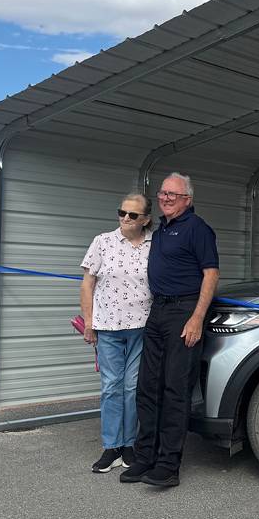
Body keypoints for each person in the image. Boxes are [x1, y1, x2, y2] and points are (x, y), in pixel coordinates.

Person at [120, 172, 220, 488]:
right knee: (148, 387)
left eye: (172, 195)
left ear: (187, 200)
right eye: (162, 193)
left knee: (175, 390)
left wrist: (197, 317)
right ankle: (144, 456)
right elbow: (129, 229)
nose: (165, 198)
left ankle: (168, 465)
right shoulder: (162, 229)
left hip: (184, 311)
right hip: (158, 311)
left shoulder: (198, 229)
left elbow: (211, 273)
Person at [80, 193, 153, 473]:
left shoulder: (153, 246)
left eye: (133, 215)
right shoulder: (103, 242)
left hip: (141, 327)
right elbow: (87, 284)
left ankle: (129, 445)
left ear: (145, 219)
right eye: (122, 212)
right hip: (108, 326)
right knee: (111, 386)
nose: (125, 218)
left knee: (132, 387)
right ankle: (111, 445)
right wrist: (89, 321)